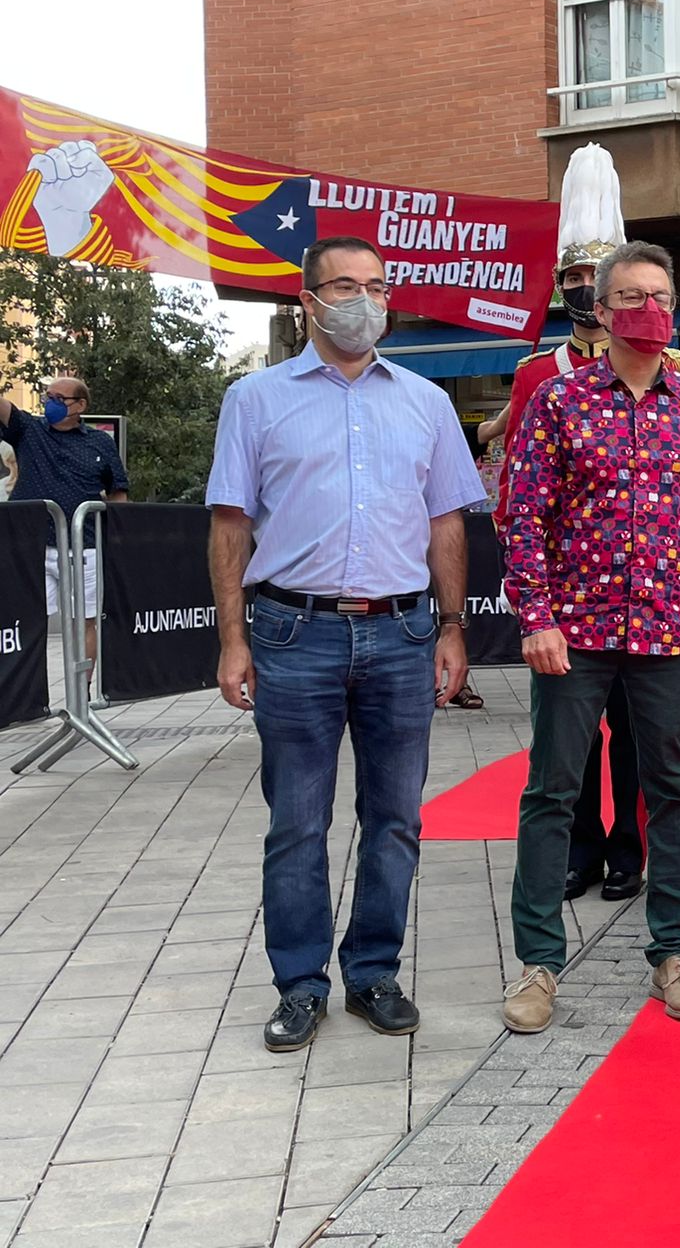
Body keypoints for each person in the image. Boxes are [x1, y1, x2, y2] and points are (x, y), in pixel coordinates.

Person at [206, 236, 482, 1052]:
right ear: (309, 302)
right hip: (293, 633)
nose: (364, 300)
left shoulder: (427, 403)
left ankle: (373, 972)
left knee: (396, 817)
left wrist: (453, 627)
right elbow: (229, 525)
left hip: (402, 632)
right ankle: (299, 984)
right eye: (345, 286)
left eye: (377, 285)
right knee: (296, 821)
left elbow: (446, 523)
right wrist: (232, 641)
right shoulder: (255, 401)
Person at [499, 240, 680, 1034]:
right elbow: (525, 515)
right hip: (574, 636)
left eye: (658, 293)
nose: (647, 308)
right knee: (554, 791)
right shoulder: (559, 402)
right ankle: (539, 964)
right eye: (629, 296)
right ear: (600, 312)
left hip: (672, 633)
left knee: (673, 792)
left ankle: (672, 950)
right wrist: (534, 617)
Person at [482, 149, 680, 904]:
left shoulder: (676, 367)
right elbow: (522, 483)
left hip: (647, 587)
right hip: (568, 586)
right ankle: (579, 848)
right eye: (571, 280)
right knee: (565, 742)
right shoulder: (538, 373)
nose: (576, 291)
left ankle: (629, 848)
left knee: (635, 734)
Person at [1, 374, 128, 665]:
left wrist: (118, 539)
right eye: (48, 397)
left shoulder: (99, 443)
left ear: (80, 405)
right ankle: (27, 698)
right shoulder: (28, 430)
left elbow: (117, 491)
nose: (50, 404)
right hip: (31, 545)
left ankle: (81, 696)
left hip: (83, 547)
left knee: (84, 622)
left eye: (60, 399)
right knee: (24, 622)